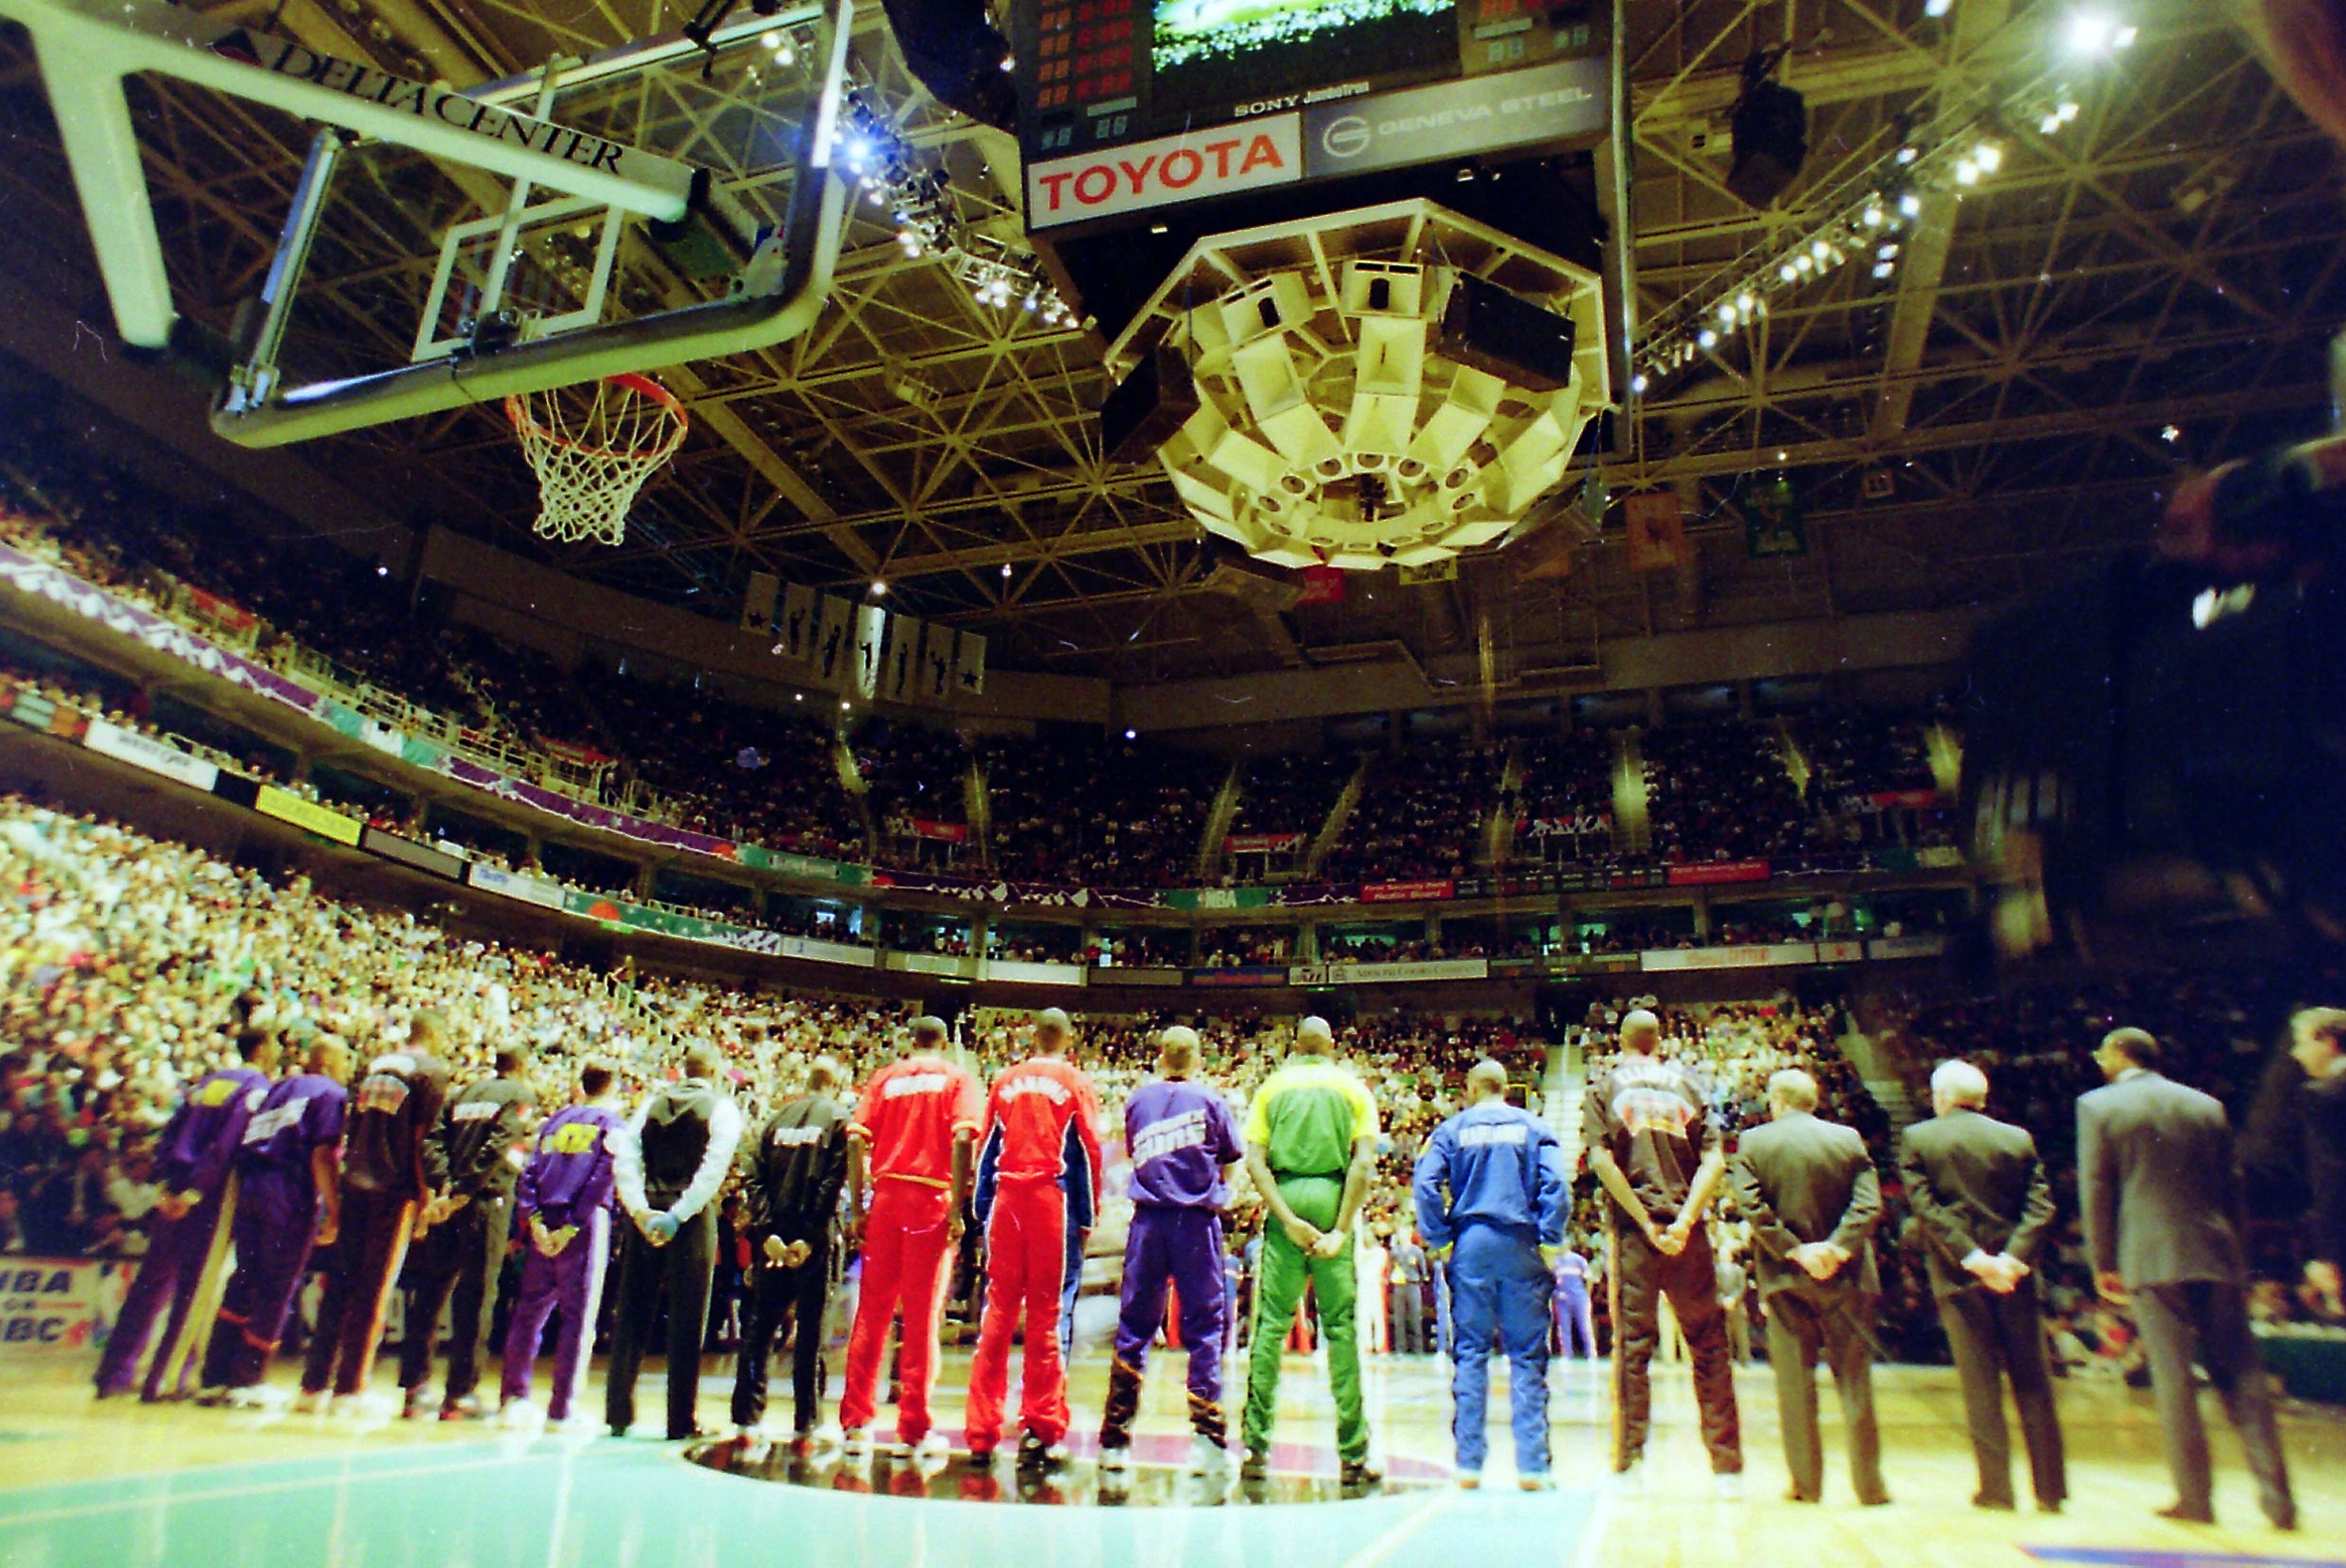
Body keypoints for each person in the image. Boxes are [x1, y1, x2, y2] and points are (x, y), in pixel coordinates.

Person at [2079, 1027, 2294, 1529]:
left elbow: (2097, 1187)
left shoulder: (2097, 1106)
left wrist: (2104, 1262)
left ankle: (2195, 1499)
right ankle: (2278, 1501)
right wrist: (2237, 1254)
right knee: (2243, 1374)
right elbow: (2233, 1187)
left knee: (2174, 1380)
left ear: (2120, 1054)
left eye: (2102, 1053)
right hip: (2215, 1251)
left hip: (2150, 1255)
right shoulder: (2206, 1106)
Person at [1583, 1008, 1743, 1493]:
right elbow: (1716, 1159)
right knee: (1709, 1344)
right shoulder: (1691, 1085)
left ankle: (1631, 1462)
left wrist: (1645, 1222)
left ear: (1623, 1040)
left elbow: (1600, 1160)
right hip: (1688, 1233)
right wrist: (1686, 1218)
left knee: (1632, 1346)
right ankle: (1727, 1465)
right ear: (1660, 1040)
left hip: (1636, 1234)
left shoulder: (1604, 1086)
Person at [1897, 1058, 2066, 1514]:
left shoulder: (1919, 1138)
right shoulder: (2017, 1138)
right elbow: (2040, 1209)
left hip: (1958, 1277)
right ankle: (2050, 1491)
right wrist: (2010, 1260)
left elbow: (1927, 1211)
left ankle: (1997, 1489)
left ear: (1942, 1097)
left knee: (1981, 1386)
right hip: (2016, 1278)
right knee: (2033, 1383)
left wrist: (1973, 1259)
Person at [1727, 1069, 1889, 1507]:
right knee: (1856, 1383)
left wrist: (1796, 1252)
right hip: (1847, 1276)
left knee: (1795, 1388)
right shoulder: (1848, 1140)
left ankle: (1805, 1484)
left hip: (1785, 1278)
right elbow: (1868, 1204)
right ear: (1813, 1101)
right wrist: (1836, 1249)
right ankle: (1870, 1486)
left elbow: (1752, 1207)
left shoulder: (1753, 1143)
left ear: (1776, 1101)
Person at [1411, 1058, 1569, 1490]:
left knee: (1471, 1353)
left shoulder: (1451, 1130)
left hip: (1472, 1244)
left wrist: (1440, 1239)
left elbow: (1425, 1185)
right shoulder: (1534, 1128)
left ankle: (1468, 1464)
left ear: (1471, 1089)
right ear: (1505, 1088)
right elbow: (1557, 1185)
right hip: (1522, 1244)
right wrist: (1550, 1240)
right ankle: (1533, 1466)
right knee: (1527, 1355)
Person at [1239, 1015, 1382, 1489]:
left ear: (1295, 1046)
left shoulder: (1271, 1088)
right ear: (1332, 1045)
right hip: (1334, 1196)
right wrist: (1341, 1228)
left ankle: (1256, 1449)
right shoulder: (1353, 1088)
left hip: (1286, 1200)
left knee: (1270, 1328)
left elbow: (1255, 1163)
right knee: (1340, 1328)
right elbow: (1363, 1165)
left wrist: (1285, 1218)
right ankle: (1354, 1452)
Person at [96, 1026, 277, 1402]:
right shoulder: (255, 1088)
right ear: (261, 1049)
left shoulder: (206, 1083)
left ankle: (114, 1373)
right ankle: (166, 1378)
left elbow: (170, 1132)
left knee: (150, 1285)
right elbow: (226, 1142)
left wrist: (164, 1186)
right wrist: (197, 1190)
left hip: (171, 1191)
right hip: (208, 1196)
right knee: (195, 1290)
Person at [1097, 1026, 1243, 1476]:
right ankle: (1206, 1439)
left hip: (1148, 1221)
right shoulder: (1213, 1102)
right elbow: (1229, 1165)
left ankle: (1115, 1438)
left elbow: (1133, 1153)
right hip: (1196, 1223)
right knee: (1204, 1326)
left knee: (1135, 1324)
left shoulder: (1137, 1102)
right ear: (1198, 1058)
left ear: (1161, 1056)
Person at [832, 1016, 981, 1461]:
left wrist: (859, 1208)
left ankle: (856, 1423)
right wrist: (957, 1208)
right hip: (930, 1199)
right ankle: (911, 1429)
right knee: (920, 1320)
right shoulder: (957, 1079)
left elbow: (855, 1140)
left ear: (910, 1042)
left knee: (871, 1316)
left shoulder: (885, 1078)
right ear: (944, 1044)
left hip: (885, 1199)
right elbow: (962, 1139)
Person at [966, 1008, 1103, 1469]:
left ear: (1033, 1034)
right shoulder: (1074, 1081)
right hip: (1050, 1201)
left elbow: (986, 1150)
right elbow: (1089, 1152)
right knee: (1047, 1315)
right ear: (1068, 1037)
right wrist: (1087, 1219)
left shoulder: (1005, 1080)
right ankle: (1039, 1429)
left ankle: (982, 1432)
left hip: (1006, 1201)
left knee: (997, 1313)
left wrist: (982, 1213)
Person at [301, 1012, 450, 1409]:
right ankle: (350, 1388)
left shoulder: (374, 1065)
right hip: (393, 1188)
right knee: (374, 1289)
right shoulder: (432, 1072)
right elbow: (422, 1142)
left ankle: (313, 1384)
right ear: (433, 1034)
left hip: (354, 1183)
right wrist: (424, 1198)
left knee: (341, 1284)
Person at [199, 1037, 351, 1402]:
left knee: (243, 1279)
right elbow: (322, 1155)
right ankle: (249, 1379)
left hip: (252, 1185)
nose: (348, 1066)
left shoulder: (281, 1086)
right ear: (329, 1062)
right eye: (345, 1059)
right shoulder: (331, 1093)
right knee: (278, 1285)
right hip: (288, 1190)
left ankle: (215, 1374)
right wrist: (334, 1211)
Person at [606, 1042, 743, 1439]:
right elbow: (713, 1168)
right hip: (690, 1216)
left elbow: (626, 1158)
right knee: (688, 1320)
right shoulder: (721, 1108)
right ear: (716, 1073)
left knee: (632, 1312)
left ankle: (618, 1412)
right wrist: (679, 1214)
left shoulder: (650, 1103)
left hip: (645, 1211)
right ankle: (679, 1420)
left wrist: (640, 1210)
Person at [398, 1045, 535, 1421]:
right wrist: (461, 1192)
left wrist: (444, 1187)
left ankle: (413, 1388)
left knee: (430, 1294)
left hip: (448, 1206)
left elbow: (432, 1141)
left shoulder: (463, 1093)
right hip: (484, 1204)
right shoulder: (520, 1096)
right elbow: (500, 1147)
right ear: (521, 1067)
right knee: (476, 1300)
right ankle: (459, 1394)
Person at [731, 1055, 851, 1441]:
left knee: (760, 1329)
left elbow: (753, 1180)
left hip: (774, 1241)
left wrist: (767, 1235)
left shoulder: (774, 1121)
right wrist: (810, 1237)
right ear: (835, 1084)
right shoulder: (838, 1121)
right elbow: (832, 1184)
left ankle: (746, 1415)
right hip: (811, 1242)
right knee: (812, 1331)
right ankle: (807, 1420)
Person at [500, 1061, 626, 1428]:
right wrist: (572, 1225)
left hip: (544, 1222)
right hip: (583, 1225)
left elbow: (528, 1173)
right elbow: (605, 1175)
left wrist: (535, 1222)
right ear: (613, 1087)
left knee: (528, 1314)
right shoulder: (613, 1125)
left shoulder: (554, 1121)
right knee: (578, 1318)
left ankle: (514, 1398)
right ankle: (562, 1407)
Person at [2288, 1008, 2346, 1317]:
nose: (2297, 1054)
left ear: (2329, 1042)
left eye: (2301, 1043)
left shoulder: (2324, 1097)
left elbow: (2333, 1178)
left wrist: (2329, 1256)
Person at [1388, 1229, 1429, 1355]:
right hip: (1399, 1285)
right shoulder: (1395, 1251)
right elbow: (1390, 1268)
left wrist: (1420, 1280)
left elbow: (1423, 1270)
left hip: (1413, 1285)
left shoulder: (1417, 1252)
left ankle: (1418, 1348)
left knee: (1415, 1317)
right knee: (1399, 1318)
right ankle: (1401, 1348)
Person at [1552, 1241, 1596, 1360]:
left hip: (1579, 1298)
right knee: (1563, 1328)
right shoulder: (1555, 1262)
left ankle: (1591, 1353)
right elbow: (1552, 1281)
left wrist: (1587, 1294)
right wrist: (1556, 1293)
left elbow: (1589, 1278)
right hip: (1562, 1299)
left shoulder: (1579, 1260)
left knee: (1585, 1327)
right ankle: (1566, 1354)